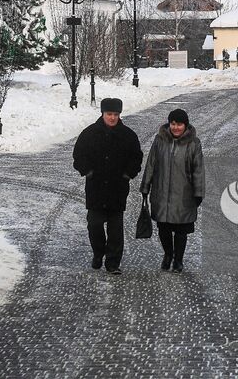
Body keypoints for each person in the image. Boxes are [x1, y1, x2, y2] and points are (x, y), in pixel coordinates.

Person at [72, 97, 142, 273]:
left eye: (116, 114)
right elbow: (78, 155)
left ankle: (113, 262)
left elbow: (136, 157)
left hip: (118, 188)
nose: (112, 118)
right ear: (103, 114)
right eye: (109, 114)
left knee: (115, 229)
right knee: (94, 224)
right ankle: (98, 252)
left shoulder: (128, 135)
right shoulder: (89, 134)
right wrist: (88, 171)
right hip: (95, 188)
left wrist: (128, 174)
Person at [141, 107, 205, 272]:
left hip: (184, 194)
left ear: (186, 125)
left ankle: (178, 260)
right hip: (161, 193)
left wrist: (198, 193)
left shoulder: (194, 143)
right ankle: (168, 254)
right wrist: (145, 187)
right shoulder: (159, 140)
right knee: (163, 228)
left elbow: (198, 170)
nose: (176, 127)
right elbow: (151, 164)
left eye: (180, 124)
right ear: (169, 124)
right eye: (173, 124)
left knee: (181, 231)